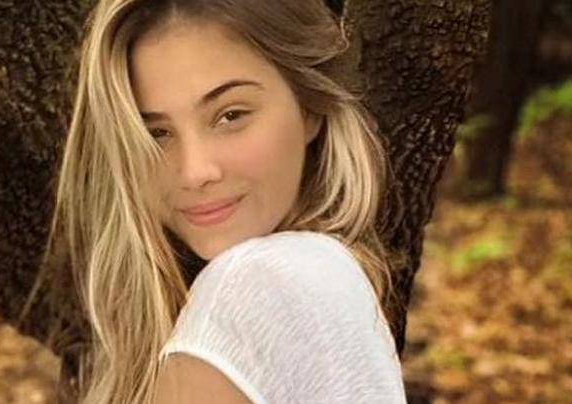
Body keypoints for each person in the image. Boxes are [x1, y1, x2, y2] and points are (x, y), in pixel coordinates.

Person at [35, 0, 409, 403]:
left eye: (231, 115)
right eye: (156, 134)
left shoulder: (256, 282)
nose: (195, 172)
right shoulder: (327, 276)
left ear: (309, 109)